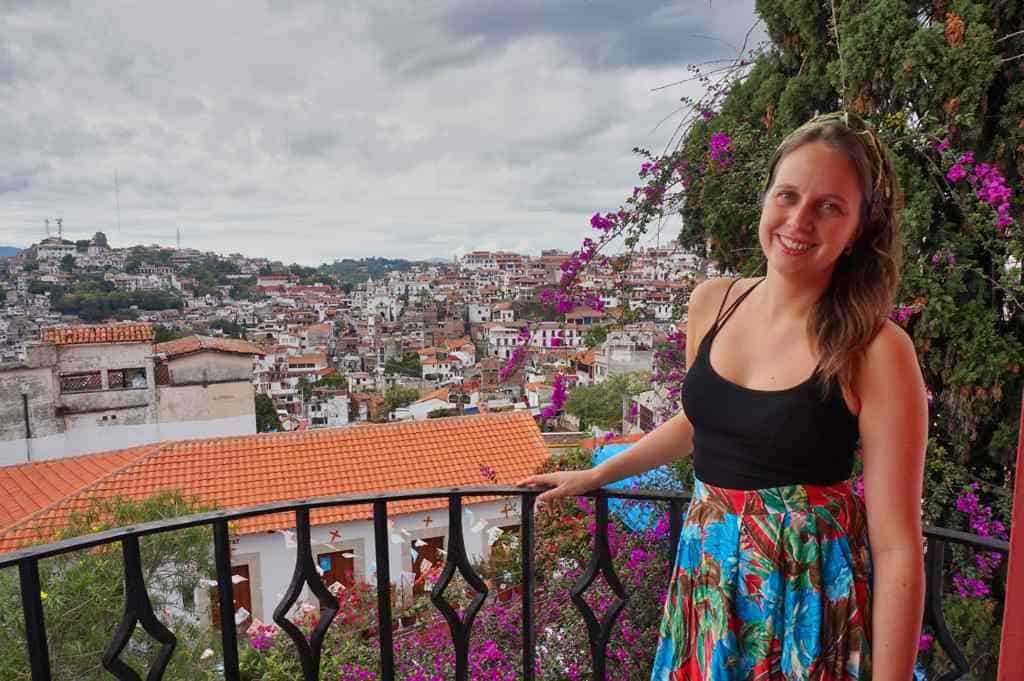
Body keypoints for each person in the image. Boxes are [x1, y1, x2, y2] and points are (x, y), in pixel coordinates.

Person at [519, 112, 928, 680]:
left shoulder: (876, 350)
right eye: (788, 195)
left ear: (858, 228)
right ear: (766, 201)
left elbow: (898, 547)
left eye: (829, 206)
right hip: (709, 574)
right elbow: (699, 422)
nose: (799, 220)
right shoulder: (714, 302)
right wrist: (596, 476)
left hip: (803, 594)